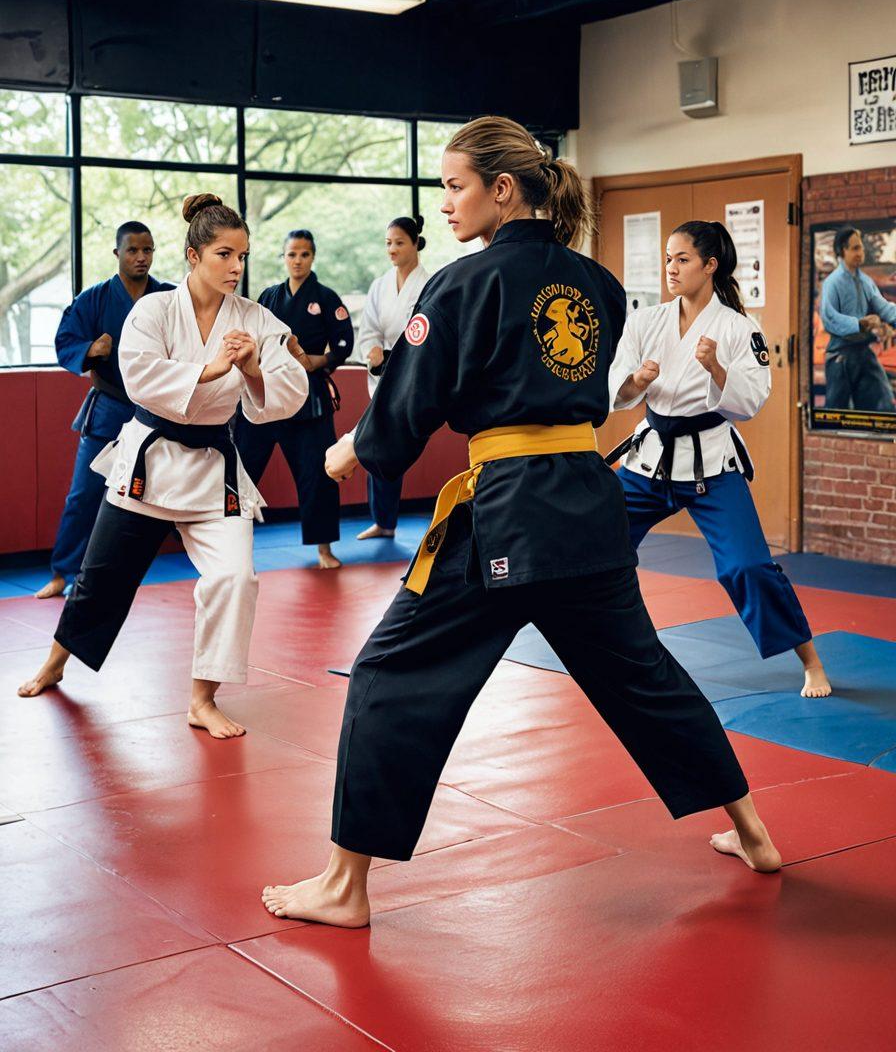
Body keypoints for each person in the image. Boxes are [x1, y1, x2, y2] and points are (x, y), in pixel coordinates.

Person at [261, 118, 781, 929]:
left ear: (502, 190)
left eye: (454, 186)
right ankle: (752, 830)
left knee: (388, 678)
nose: (444, 205)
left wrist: (354, 452)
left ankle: (344, 886)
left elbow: (409, 408)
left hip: (507, 514)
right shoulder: (597, 283)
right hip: (586, 501)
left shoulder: (463, 284)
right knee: (642, 677)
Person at [17, 195, 308, 739]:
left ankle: (203, 698)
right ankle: (56, 661)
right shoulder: (153, 310)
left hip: (212, 468)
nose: (238, 267)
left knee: (235, 577)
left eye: (243, 256)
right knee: (102, 578)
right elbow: (140, 378)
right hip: (149, 463)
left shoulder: (255, 320)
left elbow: (289, 392)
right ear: (193, 256)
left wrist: (251, 371)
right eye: (225, 255)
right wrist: (210, 368)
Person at [607, 220, 831, 699]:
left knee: (747, 568)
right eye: (668, 258)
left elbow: (750, 401)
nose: (671, 267)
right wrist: (636, 383)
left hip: (710, 463)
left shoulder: (737, 327)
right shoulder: (646, 320)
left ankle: (810, 662)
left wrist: (714, 366)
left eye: (682, 259)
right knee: (599, 545)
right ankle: (603, 645)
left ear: (710, 266)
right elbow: (616, 388)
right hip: (649, 460)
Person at [35, 223, 174, 599]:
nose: (141, 257)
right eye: (133, 250)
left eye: (148, 250)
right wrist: (91, 350)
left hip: (156, 411)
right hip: (110, 406)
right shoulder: (94, 298)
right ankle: (63, 573)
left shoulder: (167, 297)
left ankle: (149, 570)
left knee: (166, 493)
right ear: (117, 254)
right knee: (84, 494)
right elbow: (66, 339)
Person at [234, 230, 354, 570]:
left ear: (312, 257)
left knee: (318, 475)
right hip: (265, 394)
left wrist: (316, 361)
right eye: (291, 254)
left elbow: (344, 342)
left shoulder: (326, 298)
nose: (297, 261)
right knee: (241, 470)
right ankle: (231, 548)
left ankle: (324, 548)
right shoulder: (269, 296)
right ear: (283, 258)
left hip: (308, 399)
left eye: (303, 254)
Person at [355, 215, 430, 540]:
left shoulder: (428, 284)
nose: (392, 249)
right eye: (388, 243)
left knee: (388, 446)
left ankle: (386, 520)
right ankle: (383, 521)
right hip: (383, 377)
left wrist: (391, 357)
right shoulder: (380, 285)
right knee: (378, 446)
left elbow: (424, 333)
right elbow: (369, 327)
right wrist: (372, 351)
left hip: (415, 375)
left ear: (415, 244)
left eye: (399, 242)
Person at [820, 226, 896, 412]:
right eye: (855, 248)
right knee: (836, 413)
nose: (860, 253)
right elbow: (829, 317)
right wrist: (860, 324)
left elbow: (884, 308)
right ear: (842, 251)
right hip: (840, 356)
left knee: (883, 404)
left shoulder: (865, 282)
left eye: (860, 248)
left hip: (863, 352)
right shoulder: (833, 282)